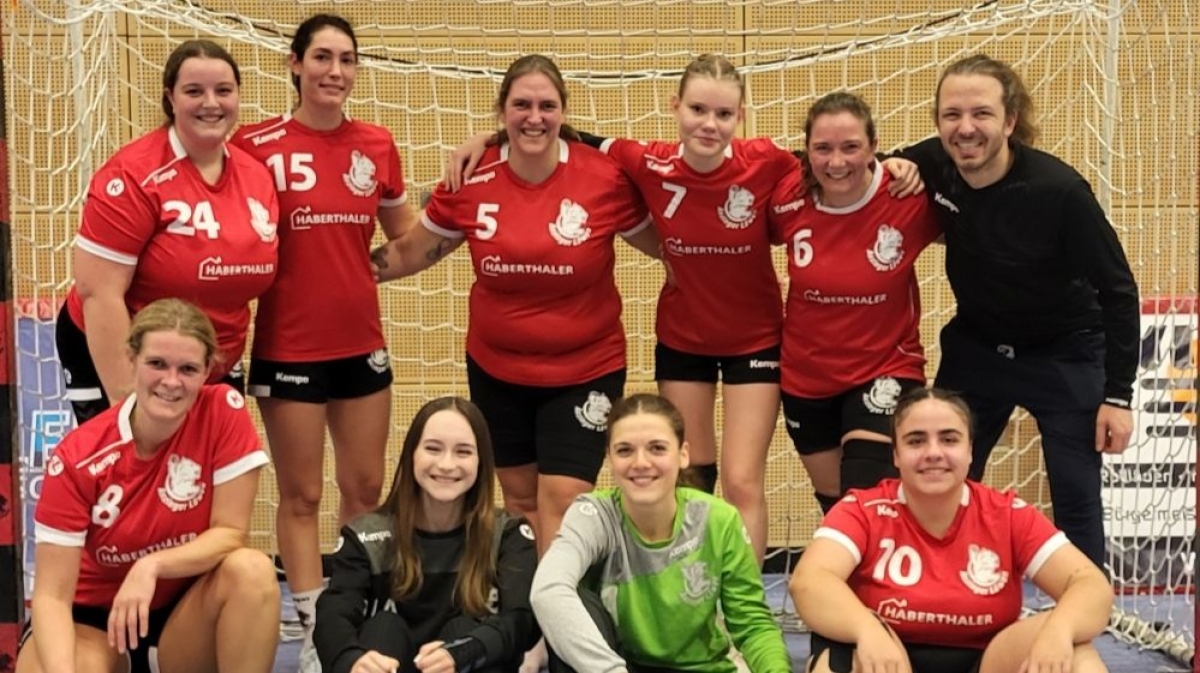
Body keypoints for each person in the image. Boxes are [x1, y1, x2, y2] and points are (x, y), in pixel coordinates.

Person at [445, 54, 922, 562]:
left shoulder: (769, 162)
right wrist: (492, 139)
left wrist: (893, 161)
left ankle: (742, 601)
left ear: (740, 117)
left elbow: (834, 162)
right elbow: (565, 134)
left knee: (741, 481)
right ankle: (690, 593)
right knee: (689, 478)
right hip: (683, 339)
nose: (709, 124)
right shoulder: (646, 161)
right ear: (676, 107)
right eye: (697, 109)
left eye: (723, 114)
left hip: (755, 342)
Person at [371, 54, 657, 556]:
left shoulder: (602, 178)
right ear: (502, 111)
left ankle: (558, 603)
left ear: (563, 111)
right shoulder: (471, 177)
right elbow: (412, 252)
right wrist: (334, 270)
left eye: (547, 106)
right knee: (521, 501)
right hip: (498, 370)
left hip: (585, 369)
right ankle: (530, 605)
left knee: (565, 500)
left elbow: (666, 244)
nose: (535, 117)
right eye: (522, 105)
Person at [900, 54, 1139, 567]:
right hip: (978, 349)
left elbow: (1118, 291)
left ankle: (1083, 612)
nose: (965, 128)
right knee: (939, 476)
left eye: (981, 114)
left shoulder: (1060, 192)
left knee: (1076, 496)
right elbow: (866, 165)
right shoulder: (933, 163)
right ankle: (937, 594)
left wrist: (1119, 395)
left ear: (1010, 121)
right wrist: (894, 163)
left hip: (1065, 354)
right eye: (951, 115)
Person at [229, 15, 413, 667]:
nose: (336, 71)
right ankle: (313, 629)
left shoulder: (376, 143)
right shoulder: (254, 145)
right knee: (302, 494)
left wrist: (365, 269)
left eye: (347, 59)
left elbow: (406, 238)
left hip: (361, 344)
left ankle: (352, 619)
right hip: (288, 347)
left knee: (364, 490)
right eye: (323, 57)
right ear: (295, 64)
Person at [18, 298, 278, 673]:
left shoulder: (223, 411)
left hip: (179, 618)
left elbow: (230, 533)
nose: (171, 381)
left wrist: (152, 566)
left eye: (188, 368)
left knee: (252, 571)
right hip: (91, 619)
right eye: (157, 364)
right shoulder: (79, 456)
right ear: (131, 360)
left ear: (207, 371)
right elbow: (51, 597)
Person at [789, 388, 1113, 673]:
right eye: (916, 441)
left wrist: (1059, 630)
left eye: (949, 439)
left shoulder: (1007, 513)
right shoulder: (862, 509)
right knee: (837, 662)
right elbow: (809, 580)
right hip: (887, 656)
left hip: (988, 658)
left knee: (1077, 657)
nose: (933, 452)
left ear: (970, 450)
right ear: (896, 455)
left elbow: (1089, 583)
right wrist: (866, 629)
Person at [56, 40, 279, 425]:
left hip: (211, 358)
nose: (211, 102)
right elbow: (100, 293)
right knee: (137, 458)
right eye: (194, 91)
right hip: (121, 351)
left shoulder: (256, 176)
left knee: (208, 460)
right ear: (170, 98)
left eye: (223, 90)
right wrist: (130, 404)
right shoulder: (133, 175)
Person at [531, 393, 792, 673]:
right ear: (609, 459)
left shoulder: (717, 519)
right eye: (625, 450)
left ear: (683, 455)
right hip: (620, 667)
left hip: (704, 668)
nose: (641, 462)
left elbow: (752, 625)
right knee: (574, 610)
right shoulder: (593, 516)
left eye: (657, 448)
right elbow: (548, 590)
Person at [769, 92, 941, 515]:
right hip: (807, 377)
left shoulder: (906, 195)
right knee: (838, 509)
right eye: (822, 148)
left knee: (867, 497)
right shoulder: (786, 196)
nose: (836, 162)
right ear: (806, 150)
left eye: (850, 147)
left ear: (873, 146)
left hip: (885, 367)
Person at [314, 396, 540, 673]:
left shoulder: (508, 535)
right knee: (383, 628)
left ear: (482, 462)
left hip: (467, 663)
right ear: (412, 454)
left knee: (467, 630)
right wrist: (351, 660)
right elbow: (333, 615)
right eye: (433, 449)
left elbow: (522, 620)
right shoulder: (366, 537)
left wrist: (466, 651)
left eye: (463, 452)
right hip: (390, 660)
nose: (446, 464)